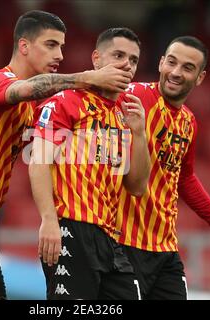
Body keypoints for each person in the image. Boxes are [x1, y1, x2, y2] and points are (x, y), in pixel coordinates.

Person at [0, 10, 134, 300]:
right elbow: (28, 88)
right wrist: (89, 78)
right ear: (24, 46)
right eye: (51, 45)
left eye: (62, 47)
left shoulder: (31, 110)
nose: (60, 55)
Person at [115, 36, 210, 300]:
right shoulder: (131, 96)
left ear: (200, 77)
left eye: (188, 68)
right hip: (123, 244)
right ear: (160, 63)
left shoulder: (189, 122)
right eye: (172, 62)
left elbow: (185, 179)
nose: (176, 73)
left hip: (165, 249)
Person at [29, 27, 151, 300]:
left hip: (110, 237)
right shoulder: (65, 101)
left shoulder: (124, 113)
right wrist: (48, 220)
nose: (126, 65)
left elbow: (137, 186)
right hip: (71, 228)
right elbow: (38, 162)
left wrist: (140, 134)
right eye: (118, 55)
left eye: (133, 60)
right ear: (96, 58)